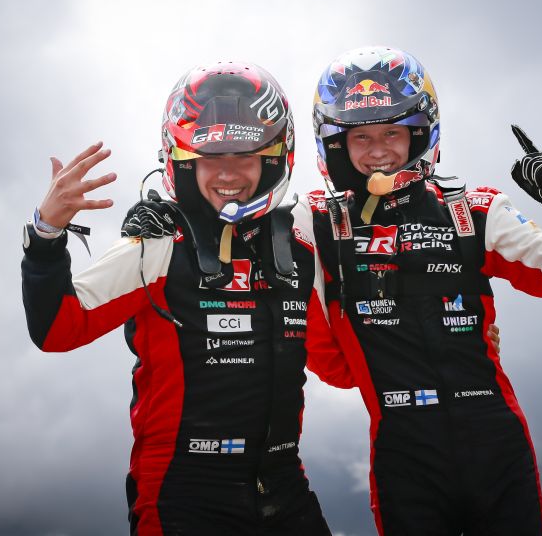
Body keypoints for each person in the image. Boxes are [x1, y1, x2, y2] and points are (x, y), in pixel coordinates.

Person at [301, 45, 542, 535]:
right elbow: (335, 368)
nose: (378, 150)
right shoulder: (314, 222)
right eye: (361, 136)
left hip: (495, 440)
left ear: (420, 133)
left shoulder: (473, 209)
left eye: (392, 132)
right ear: (336, 145)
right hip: (404, 454)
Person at [20, 62, 337, 535]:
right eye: (209, 158)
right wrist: (46, 235)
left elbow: (341, 370)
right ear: (182, 162)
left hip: (285, 488)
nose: (228, 173)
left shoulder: (301, 247)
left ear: (274, 158)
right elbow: (57, 331)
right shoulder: (156, 245)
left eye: (244, 156)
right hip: (183, 495)